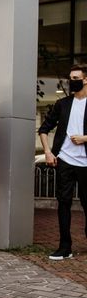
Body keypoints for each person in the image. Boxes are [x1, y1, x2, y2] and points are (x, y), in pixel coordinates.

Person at [38, 64, 87, 260]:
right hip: (65, 160)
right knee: (63, 204)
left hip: (85, 163)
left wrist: (85, 138)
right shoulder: (63, 104)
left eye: (75, 78)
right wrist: (49, 152)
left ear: (85, 80)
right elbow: (43, 129)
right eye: (70, 78)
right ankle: (64, 247)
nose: (71, 81)